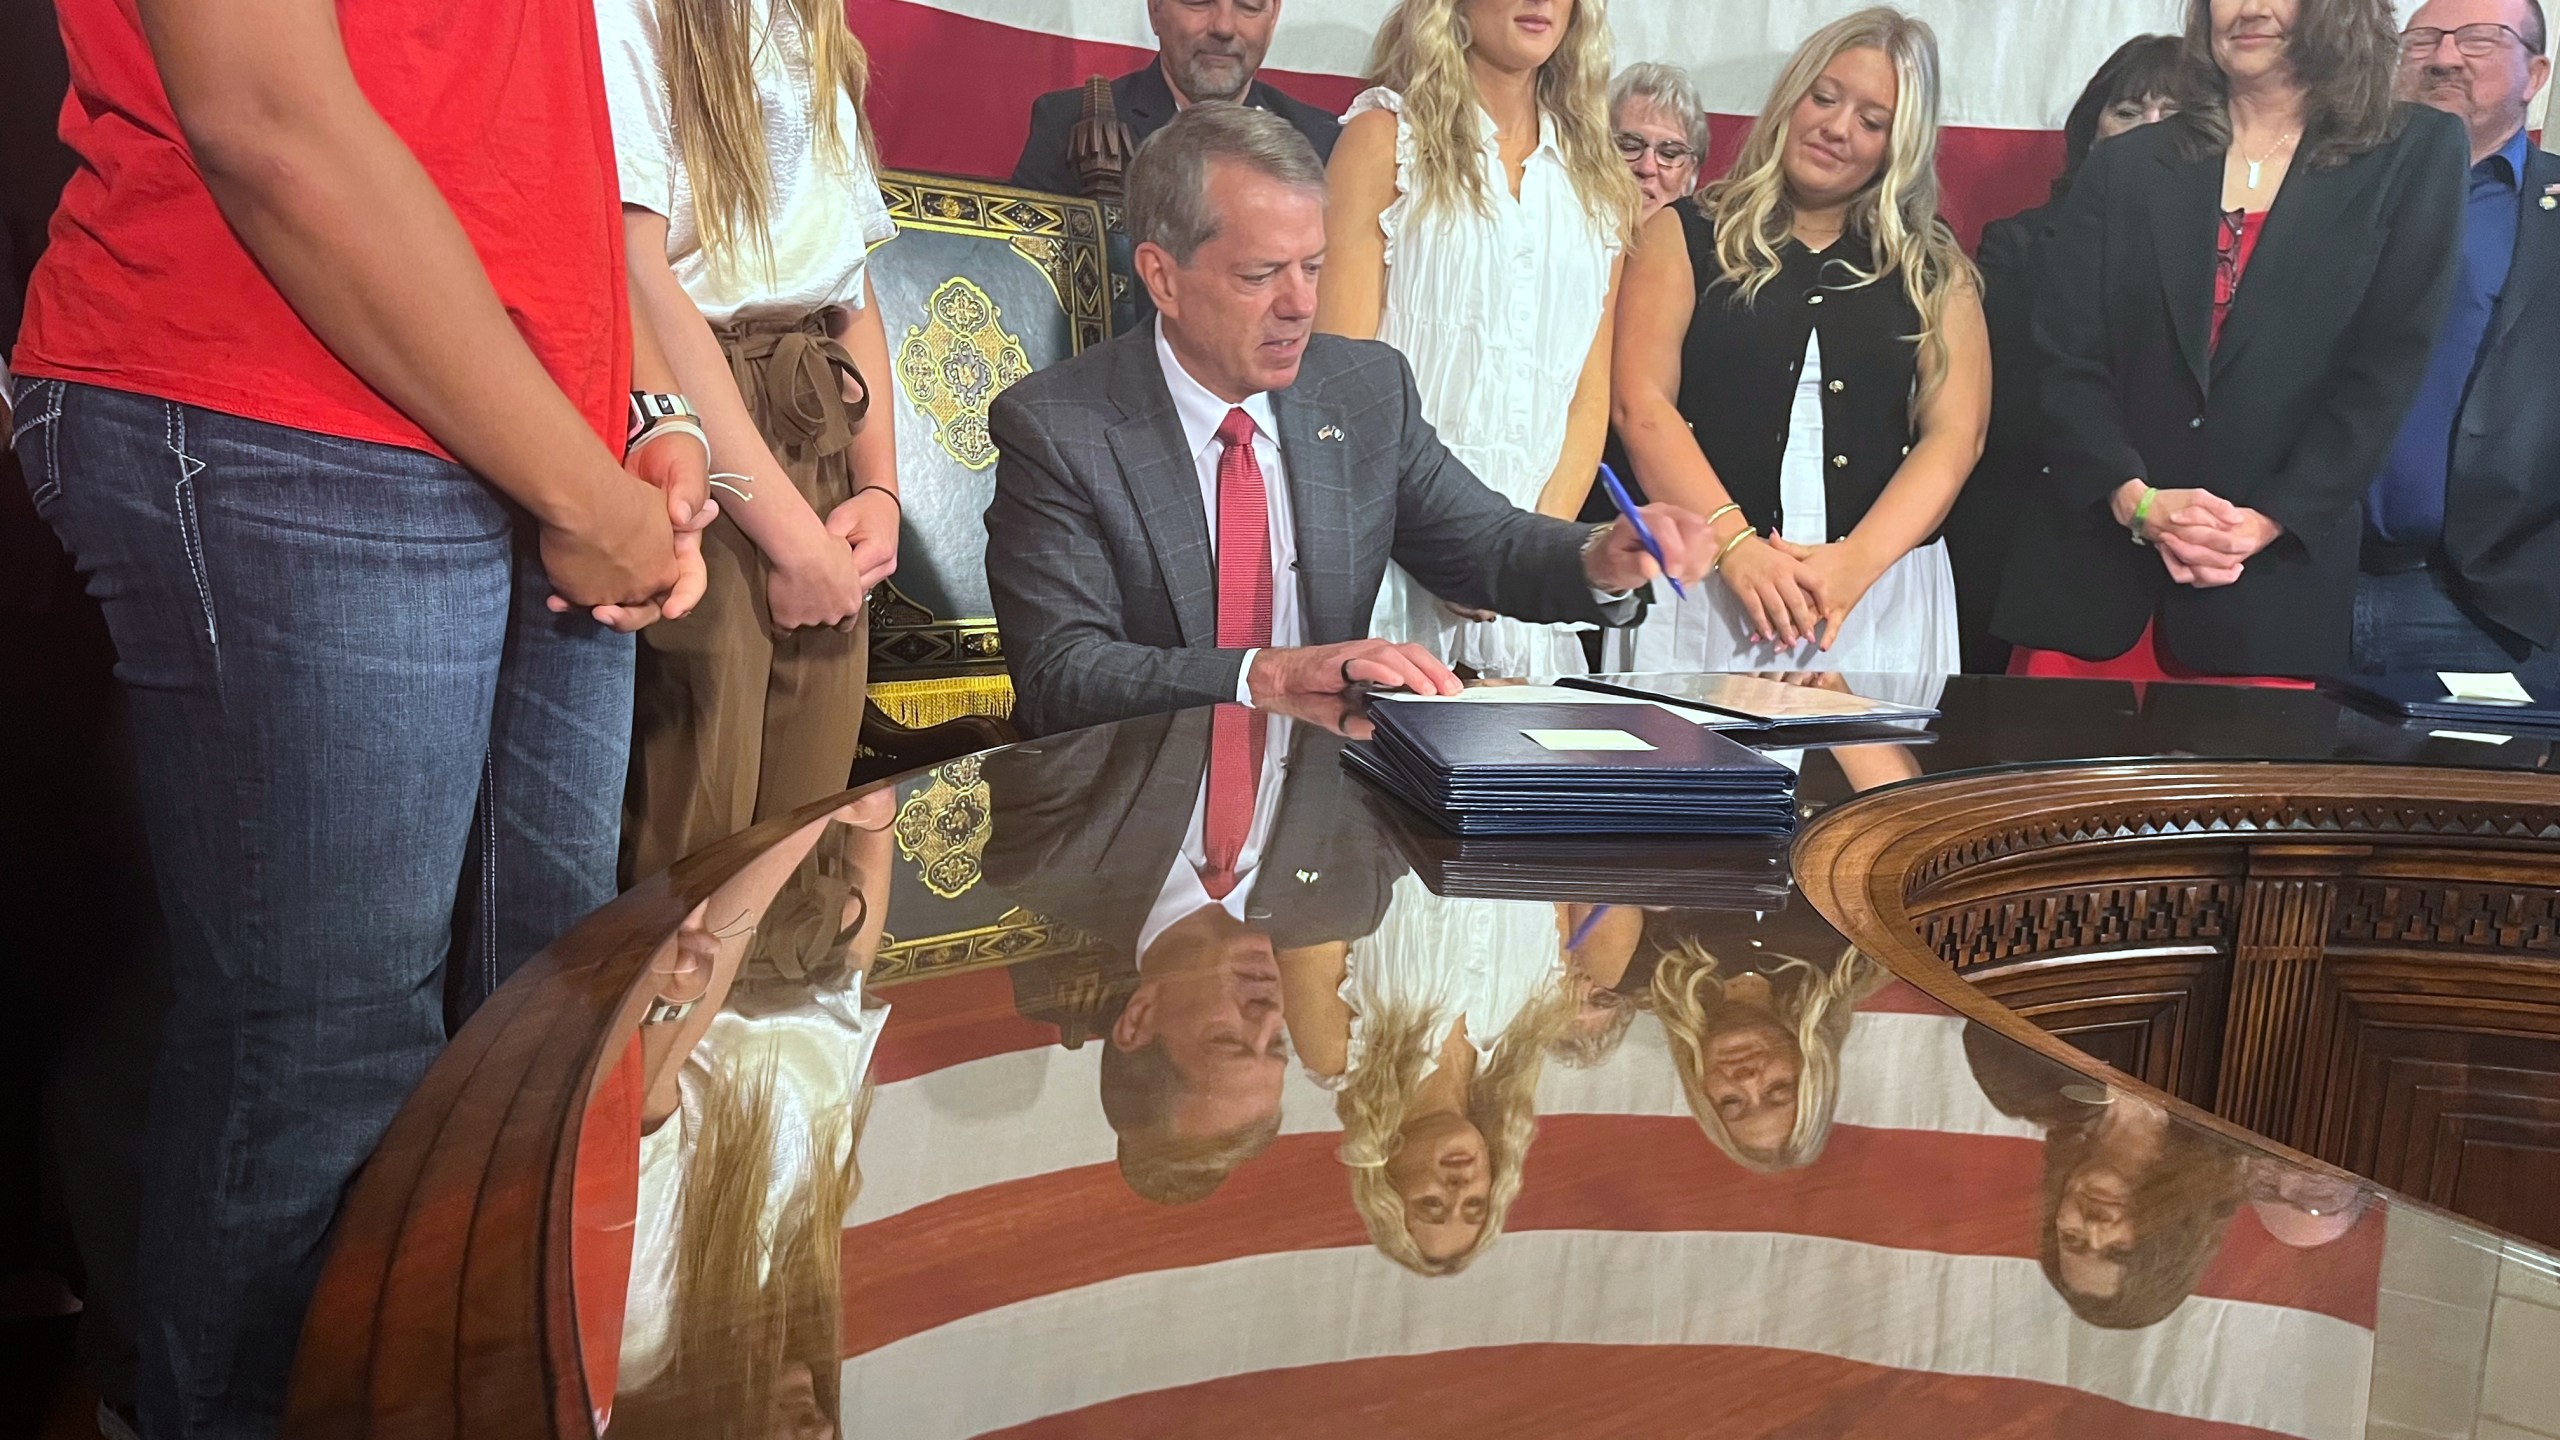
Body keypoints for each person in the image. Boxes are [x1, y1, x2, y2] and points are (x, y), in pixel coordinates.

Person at [9, 0, 716, 1432]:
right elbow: (265, 118)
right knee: (327, 1053)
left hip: (527, 435)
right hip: (281, 393)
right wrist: (585, 491)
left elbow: (502, 132)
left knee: (544, 1026)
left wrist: (618, 412)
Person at [984, 103, 1713, 738]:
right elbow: (1063, 674)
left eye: (1313, 267)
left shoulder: (1363, 389)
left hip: (1319, 833)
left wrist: (1600, 558)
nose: (1300, 304)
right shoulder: (1059, 427)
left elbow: (1485, 545)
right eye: (1261, 275)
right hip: (1136, 834)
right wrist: (1268, 677)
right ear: (1163, 277)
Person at [1996, 0, 2469, 682]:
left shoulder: (2415, 151)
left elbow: (2387, 371)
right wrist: (2137, 501)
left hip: (2268, 586)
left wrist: (2265, 521)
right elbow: (2068, 358)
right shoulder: (2129, 162)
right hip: (2094, 570)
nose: (2247, 8)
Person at [599, 0, 905, 881]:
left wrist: (878, 489)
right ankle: (672, 1021)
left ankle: (783, 1009)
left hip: (817, 417)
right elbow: (637, 273)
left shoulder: (810, 26)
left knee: (807, 825)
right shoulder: (632, 17)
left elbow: (853, 289)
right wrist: (786, 530)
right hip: (699, 415)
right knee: (696, 816)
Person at [1610, 7, 1989, 676]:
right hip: (1703, 582)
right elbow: (1640, 405)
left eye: (1872, 122)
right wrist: (1736, 548)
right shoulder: (1685, 233)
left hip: (1877, 594)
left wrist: (1855, 564)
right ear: (1792, 96)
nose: (1837, 128)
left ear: (1898, 143)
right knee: (1687, 779)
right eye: (1824, 97)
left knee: (1874, 784)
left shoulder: (1935, 267)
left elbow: (1956, 436)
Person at [1316, 0, 1640, 679]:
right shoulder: (1384, 140)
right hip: (1389, 576)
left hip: (1524, 593)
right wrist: (1456, 551)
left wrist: (1524, 558)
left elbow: (1587, 396)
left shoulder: (1600, 180)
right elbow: (1337, 384)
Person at [983, 703, 1405, 1204]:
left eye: (1229, 1039)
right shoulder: (1346, 897)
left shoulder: (1052, 855)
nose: (1270, 1014)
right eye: (1275, 1045)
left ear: (1138, 1019)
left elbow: (1079, 666)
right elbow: (1415, 739)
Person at [1952, 35, 2184, 675]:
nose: (2149, 132)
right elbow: (2019, 400)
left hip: (2168, 557)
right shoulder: (2018, 244)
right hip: (2020, 536)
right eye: (2129, 111)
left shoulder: (2227, 256)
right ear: (2092, 127)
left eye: (2175, 114)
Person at [2355, 0, 2560, 686]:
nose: (2443, 58)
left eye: (2478, 40)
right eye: (2421, 42)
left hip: (2490, 611)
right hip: (2300, 584)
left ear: (2535, 74)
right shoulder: (2325, 191)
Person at [1282, 881, 1578, 1274]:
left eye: (1431, 1204)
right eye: (1475, 1205)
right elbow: (1553, 893)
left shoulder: (1337, 1053)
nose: (1458, 1189)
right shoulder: (1524, 1033)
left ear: (1388, 1177)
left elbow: (1307, 909)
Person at [1963, 1025, 2245, 1329]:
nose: (2094, 1227)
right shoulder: (2238, 1115)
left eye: (2073, 1238)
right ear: (2171, 1239)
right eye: (2117, 1249)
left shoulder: (2020, 1078)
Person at [1012, 0, 1342, 197]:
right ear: (1155, 9)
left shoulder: (1325, 144)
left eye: (1248, 5)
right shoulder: (1065, 123)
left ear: (1273, 17)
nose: (1224, 26)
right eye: (1199, 1)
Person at [1651, 932, 1886, 1172]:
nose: (1748, 1080)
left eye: (1731, 1101)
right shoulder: (1857, 942)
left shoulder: (1637, 965)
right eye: (1778, 1088)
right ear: (1809, 1065)